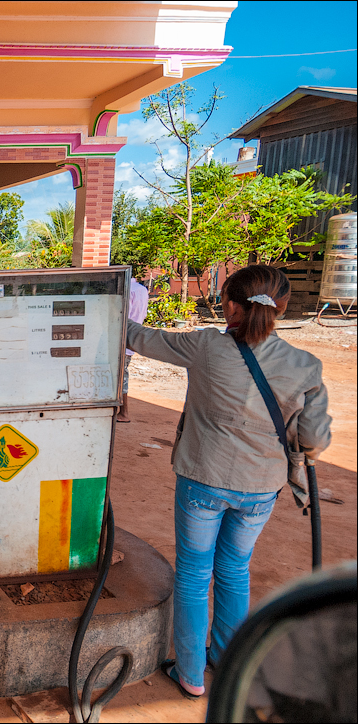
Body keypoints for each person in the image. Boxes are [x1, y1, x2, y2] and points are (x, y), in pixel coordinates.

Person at [124, 265, 332, 699]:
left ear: (229, 305)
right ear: (283, 308)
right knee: (235, 572)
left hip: (204, 482)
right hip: (260, 489)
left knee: (195, 575)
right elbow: (313, 440)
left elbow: (139, 338)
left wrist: (102, 305)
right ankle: (226, 660)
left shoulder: (203, 346)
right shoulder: (306, 365)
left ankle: (191, 675)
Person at [117, 276, 150, 422]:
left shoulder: (127, 290)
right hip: (133, 337)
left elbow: (122, 316)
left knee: (120, 377)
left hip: (121, 339)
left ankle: (124, 413)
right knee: (121, 375)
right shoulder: (142, 290)